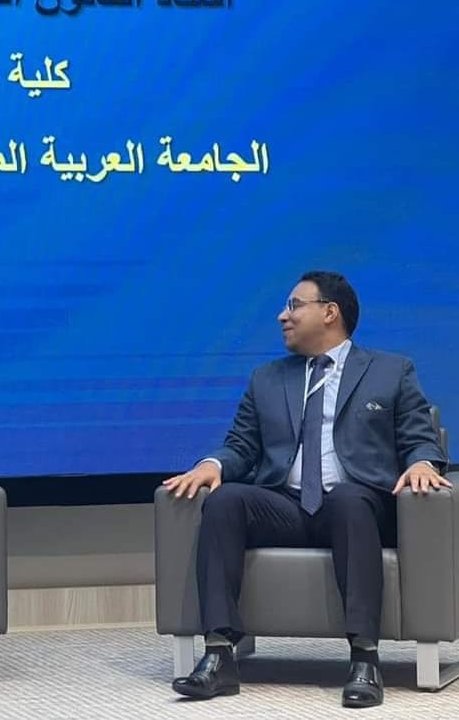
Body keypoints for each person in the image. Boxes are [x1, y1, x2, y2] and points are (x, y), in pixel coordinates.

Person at [162, 271, 449, 708]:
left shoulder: (391, 371)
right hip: (285, 503)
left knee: (349, 500)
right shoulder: (267, 378)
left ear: (330, 312)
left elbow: (419, 437)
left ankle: (364, 659)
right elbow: (241, 445)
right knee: (225, 501)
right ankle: (219, 655)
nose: (283, 316)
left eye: (294, 305)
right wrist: (211, 465)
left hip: (357, 505)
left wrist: (423, 463)